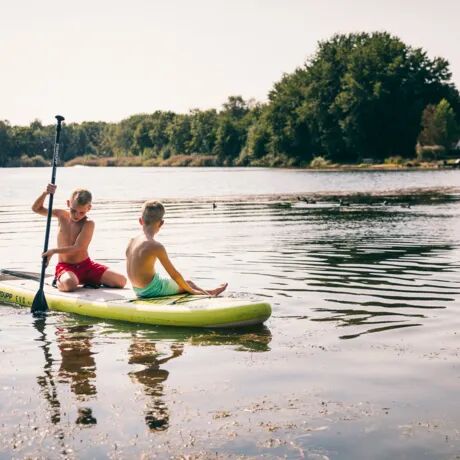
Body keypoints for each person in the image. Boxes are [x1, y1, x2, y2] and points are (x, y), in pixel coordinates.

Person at [32, 184, 127, 292]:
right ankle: (58, 280)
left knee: (121, 281)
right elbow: (36, 209)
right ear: (68, 203)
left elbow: (79, 247)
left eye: (82, 212)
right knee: (70, 284)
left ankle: (88, 280)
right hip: (66, 266)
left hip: (86, 266)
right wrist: (46, 193)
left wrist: (53, 251)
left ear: (89, 208)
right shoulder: (61, 215)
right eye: (73, 210)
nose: (77, 215)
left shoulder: (89, 223)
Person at [126, 200, 227, 298]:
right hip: (151, 290)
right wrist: (191, 291)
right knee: (189, 284)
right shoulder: (155, 246)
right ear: (161, 223)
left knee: (181, 284)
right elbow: (174, 274)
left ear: (140, 221)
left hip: (137, 289)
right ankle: (210, 295)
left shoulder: (132, 241)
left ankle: (207, 292)